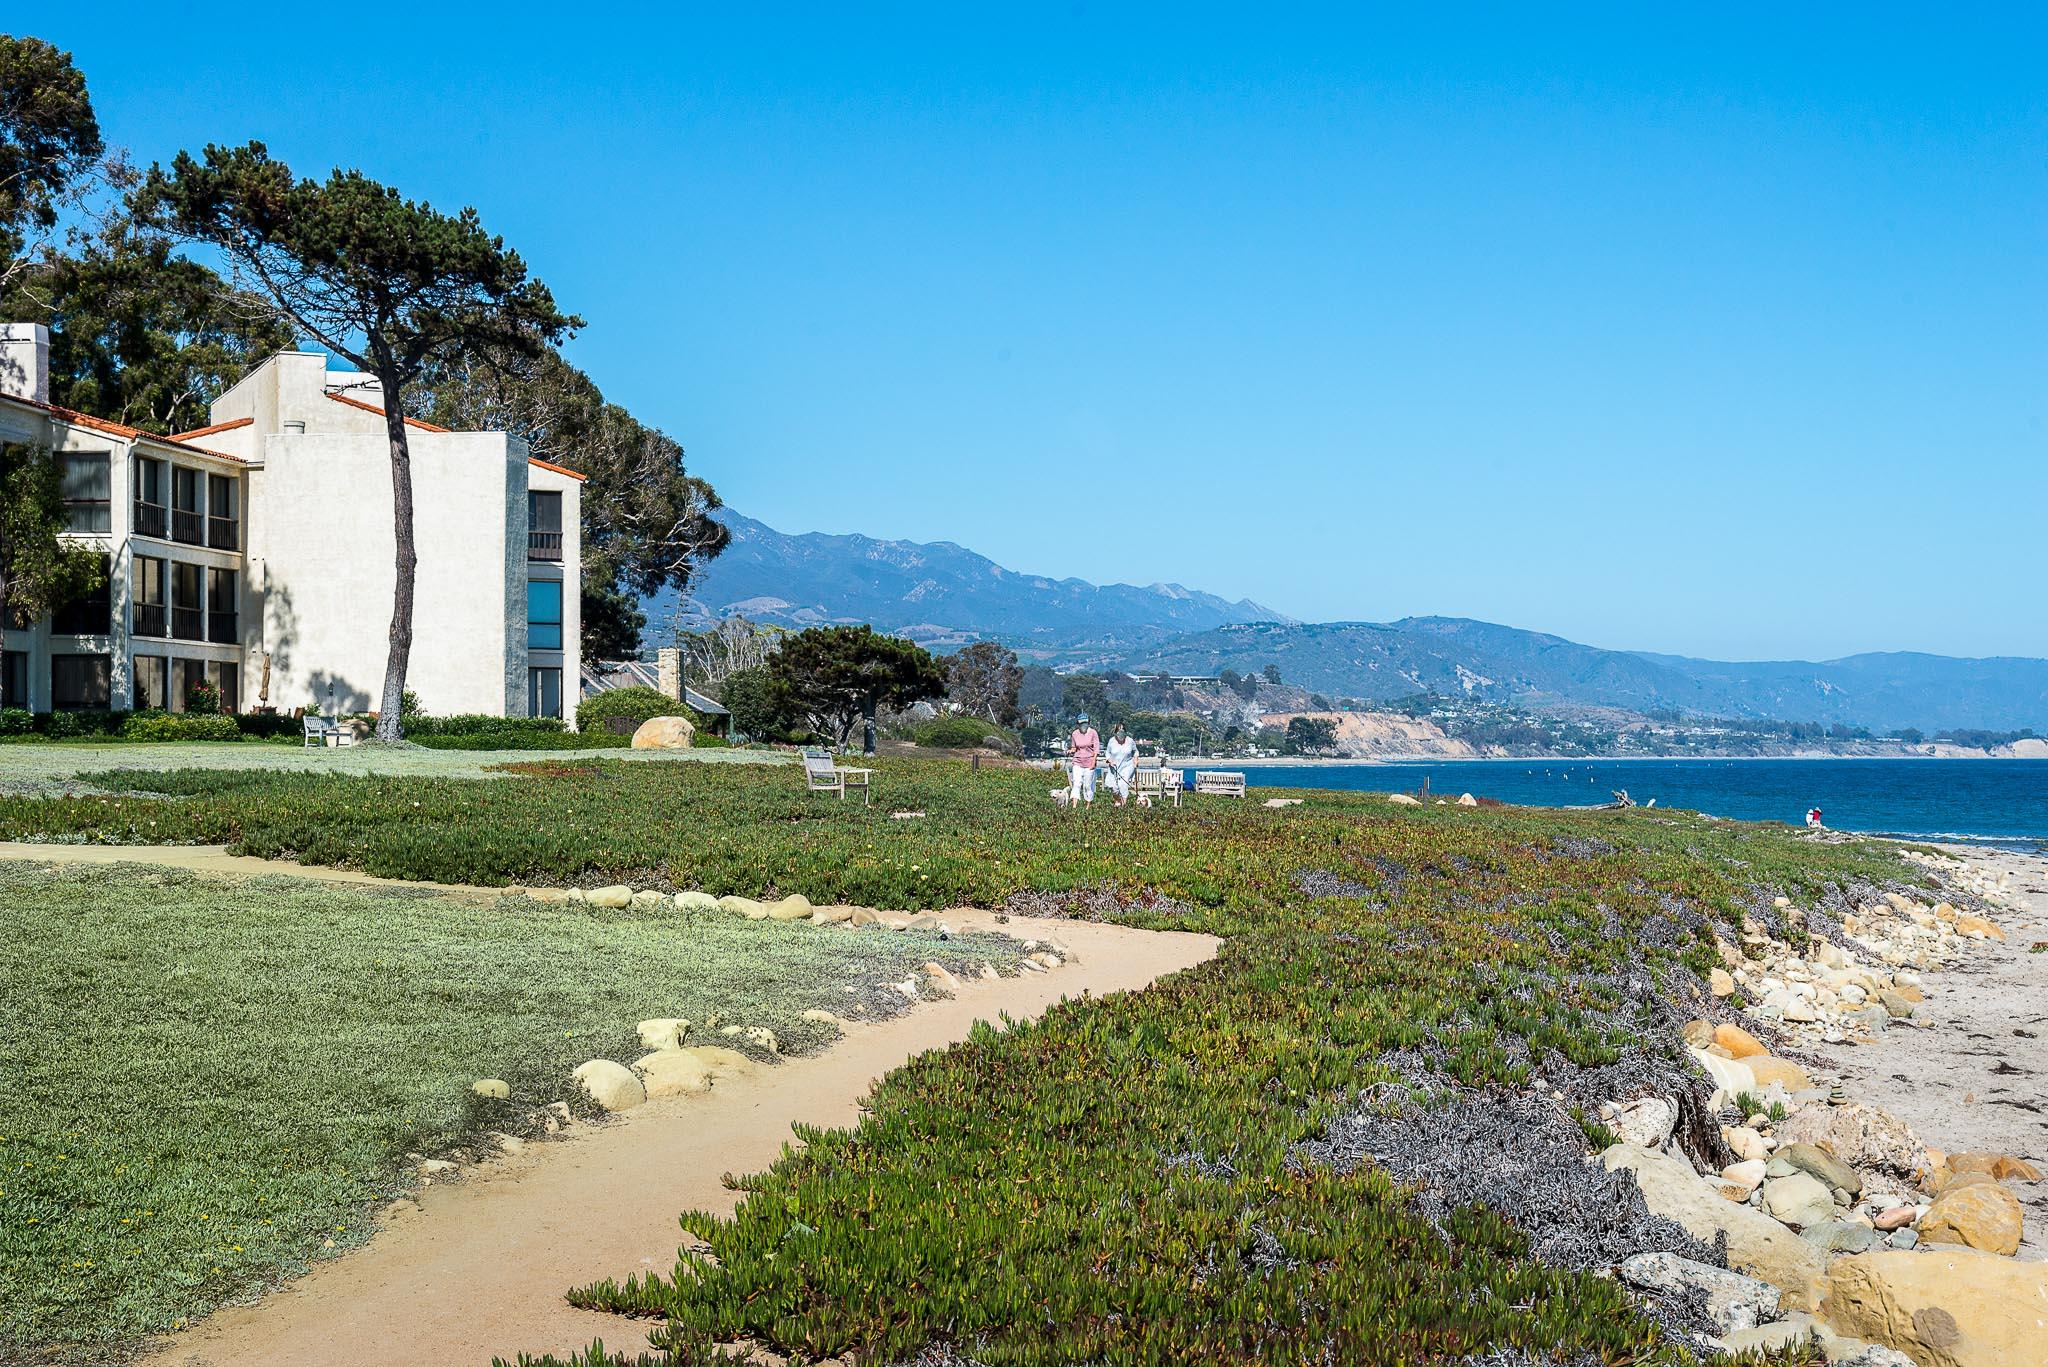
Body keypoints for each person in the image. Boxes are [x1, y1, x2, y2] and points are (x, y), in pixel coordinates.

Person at [1066, 714, 1101, 810]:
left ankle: (1087, 807)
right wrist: (1071, 751)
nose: (1083, 725)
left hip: (1089, 762)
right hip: (1077, 761)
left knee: (1087, 785)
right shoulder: (1074, 734)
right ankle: (1074, 806)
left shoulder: (1093, 733)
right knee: (1076, 783)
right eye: (1081, 723)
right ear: (1078, 724)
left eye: (1085, 723)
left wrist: (1094, 762)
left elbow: (1096, 749)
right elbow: (1074, 747)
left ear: (1088, 723)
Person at [1104, 724, 1139, 806]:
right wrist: (1109, 760)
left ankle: (1124, 806)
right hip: (1115, 767)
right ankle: (1118, 801)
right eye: (1119, 732)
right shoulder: (1111, 741)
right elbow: (1107, 753)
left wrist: (1136, 759)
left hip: (1128, 765)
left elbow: (1136, 751)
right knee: (1114, 788)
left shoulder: (1130, 741)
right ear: (1115, 733)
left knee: (1123, 784)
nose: (1121, 734)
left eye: (1123, 731)